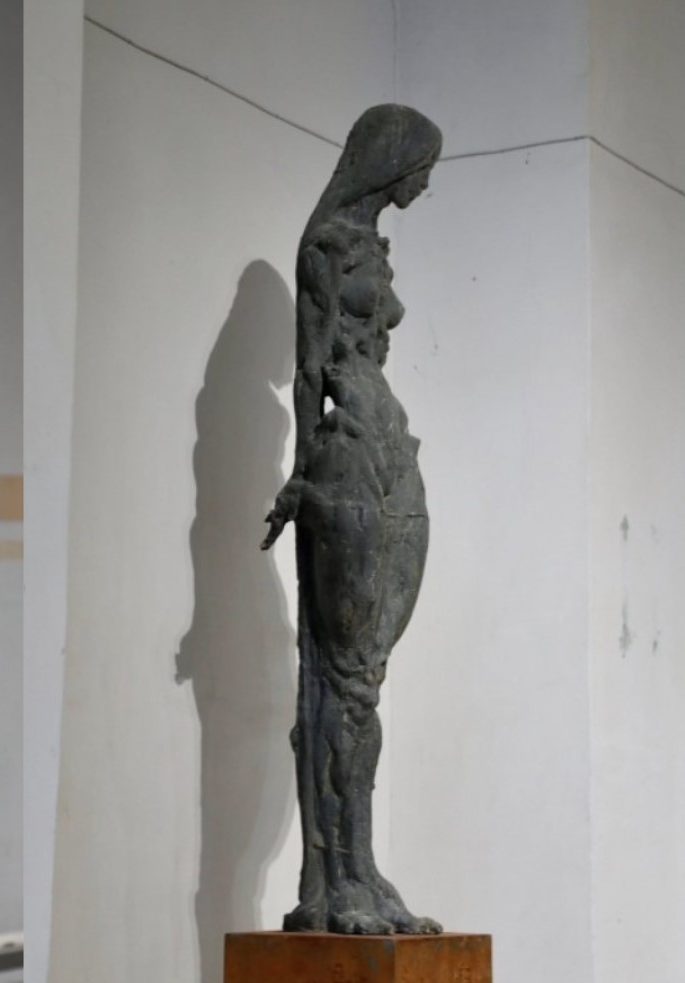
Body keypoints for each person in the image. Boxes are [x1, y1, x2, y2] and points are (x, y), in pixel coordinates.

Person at [262, 105, 443, 935]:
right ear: (391, 160)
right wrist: (302, 474)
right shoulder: (325, 247)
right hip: (344, 461)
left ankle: (362, 867)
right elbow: (310, 372)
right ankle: (333, 879)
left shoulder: (373, 246)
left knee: (366, 677)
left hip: (391, 448)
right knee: (346, 681)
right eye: (421, 165)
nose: (425, 181)